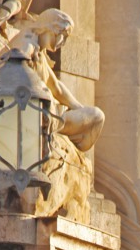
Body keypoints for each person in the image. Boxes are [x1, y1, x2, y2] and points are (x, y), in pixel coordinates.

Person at [11, 9, 104, 152]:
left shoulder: (39, 52)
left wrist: (79, 108)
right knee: (96, 116)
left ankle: (72, 145)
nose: (63, 41)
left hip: (44, 113)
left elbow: (56, 87)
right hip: (35, 115)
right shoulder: (27, 45)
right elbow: (11, 71)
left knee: (96, 117)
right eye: (63, 35)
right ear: (50, 27)